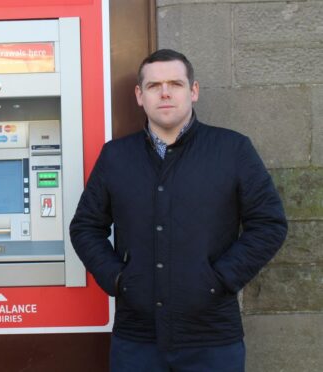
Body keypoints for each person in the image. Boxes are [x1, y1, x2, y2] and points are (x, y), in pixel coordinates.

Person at [69, 49, 287, 371]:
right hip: (137, 338)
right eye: (155, 85)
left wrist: (221, 278)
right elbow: (85, 226)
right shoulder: (116, 157)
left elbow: (269, 224)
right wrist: (118, 279)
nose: (166, 92)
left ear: (193, 91)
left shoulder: (233, 149)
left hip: (212, 337)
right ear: (140, 96)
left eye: (176, 83)